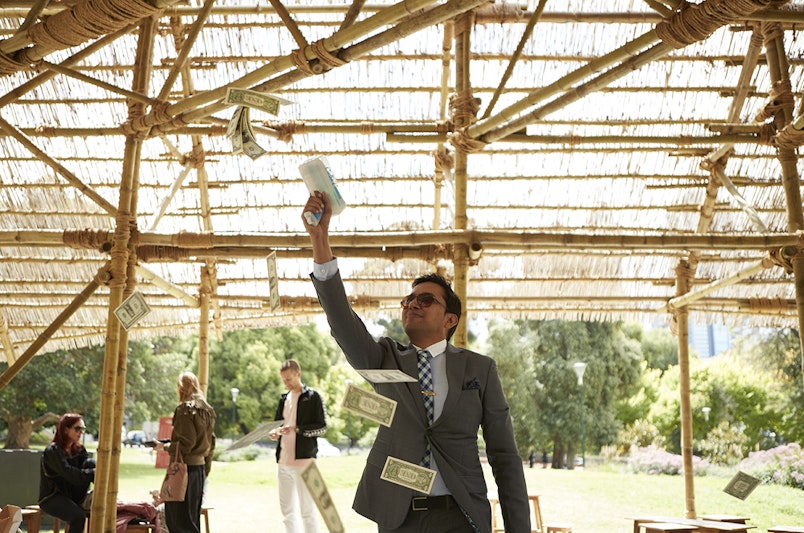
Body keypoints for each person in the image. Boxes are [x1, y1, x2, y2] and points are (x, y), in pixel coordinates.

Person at [301, 192, 530, 533]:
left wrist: (519, 529)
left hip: (461, 516)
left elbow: (505, 456)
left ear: (450, 320)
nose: (412, 304)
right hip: (399, 517)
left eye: (426, 299)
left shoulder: (480, 370)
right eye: (408, 299)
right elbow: (342, 320)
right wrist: (320, 240)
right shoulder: (383, 359)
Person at [268, 359, 327, 533]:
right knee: (287, 513)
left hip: (305, 462)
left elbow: (322, 427)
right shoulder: (283, 399)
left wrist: (297, 429)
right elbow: (277, 424)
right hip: (283, 463)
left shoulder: (313, 397)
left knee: (307, 511)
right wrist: (274, 432)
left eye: (288, 379)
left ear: (298, 374)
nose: (285, 383)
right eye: (283, 379)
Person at [155, 371, 216, 533]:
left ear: (181, 388)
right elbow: (211, 443)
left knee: (178, 521)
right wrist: (205, 472)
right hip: (199, 471)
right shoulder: (207, 410)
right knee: (191, 521)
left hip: (184, 472)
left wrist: (164, 447)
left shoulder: (185, 409)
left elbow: (185, 444)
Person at [38, 413, 95, 533]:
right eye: (77, 428)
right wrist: (93, 473)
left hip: (73, 495)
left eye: (83, 429)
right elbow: (70, 475)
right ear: (65, 429)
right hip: (52, 497)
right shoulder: (52, 451)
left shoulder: (80, 450)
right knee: (78, 517)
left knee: (91, 463)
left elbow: (87, 471)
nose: (81, 432)